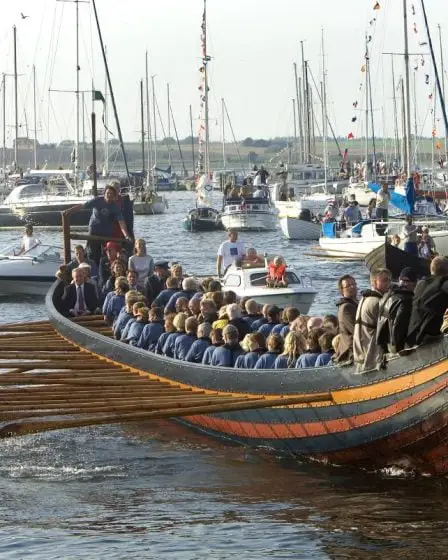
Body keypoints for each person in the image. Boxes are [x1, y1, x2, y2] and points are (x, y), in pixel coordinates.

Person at [64, 184, 132, 264]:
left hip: (106, 233)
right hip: (94, 231)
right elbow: (83, 206)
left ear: (114, 196)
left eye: (111, 194)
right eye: (108, 193)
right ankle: (92, 269)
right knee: (91, 252)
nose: (109, 195)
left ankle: (104, 268)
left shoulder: (115, 207)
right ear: (104, 193)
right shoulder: (97, 201)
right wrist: (69, 211)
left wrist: (126, 235)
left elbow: (121, 222)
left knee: (106, 253)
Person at [353, 268, 391, 372]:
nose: (388, 283)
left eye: (389, 280)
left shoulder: (363, 299)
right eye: (384, 280)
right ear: (374, 282)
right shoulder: (377, 302)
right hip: (371, 357)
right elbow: (387, 331)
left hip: (360, 353)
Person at [407, 256, 448, 346]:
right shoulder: (444, 284)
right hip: (430, 340)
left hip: (412, 337)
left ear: (431, 270)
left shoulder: (420, 285)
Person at [376, 267, 417, 355]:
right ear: (414, 283)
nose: (403, 283)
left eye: (406, 281)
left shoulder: (387, 295)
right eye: (403, 280)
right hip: (398, 347)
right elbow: (399, 326)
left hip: (385, 345)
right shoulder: (406, 301)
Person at [334, 275, 358, 364]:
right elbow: (356, 330)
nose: (352, 287)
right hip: (352, 351)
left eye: (353, 284)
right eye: (348, 286)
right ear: (342, 290)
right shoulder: (346, 307)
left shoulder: (354, 303)